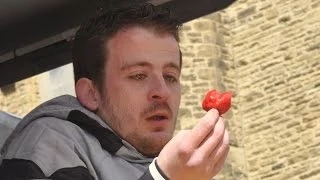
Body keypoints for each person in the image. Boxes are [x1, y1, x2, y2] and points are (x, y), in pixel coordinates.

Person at [0, 3, 229, 180]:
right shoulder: (49, 143)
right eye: (138, 75)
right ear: (91, 93)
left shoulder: (161, 161)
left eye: (170, 77)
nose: (162, 92)